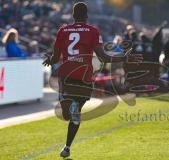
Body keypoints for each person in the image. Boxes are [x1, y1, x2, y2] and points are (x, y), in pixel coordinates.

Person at [42, 2, 142, 158]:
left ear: (73, 15)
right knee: (75, 115)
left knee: (67, 113)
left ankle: (68, 106)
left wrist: (50, 59)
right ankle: (67, 147)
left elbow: (55, 58)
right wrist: (123, 57)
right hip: (83, 75)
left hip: (67, 74)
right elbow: (103, 57)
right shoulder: (93, 31)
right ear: (86, 16)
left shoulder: (63, 30)